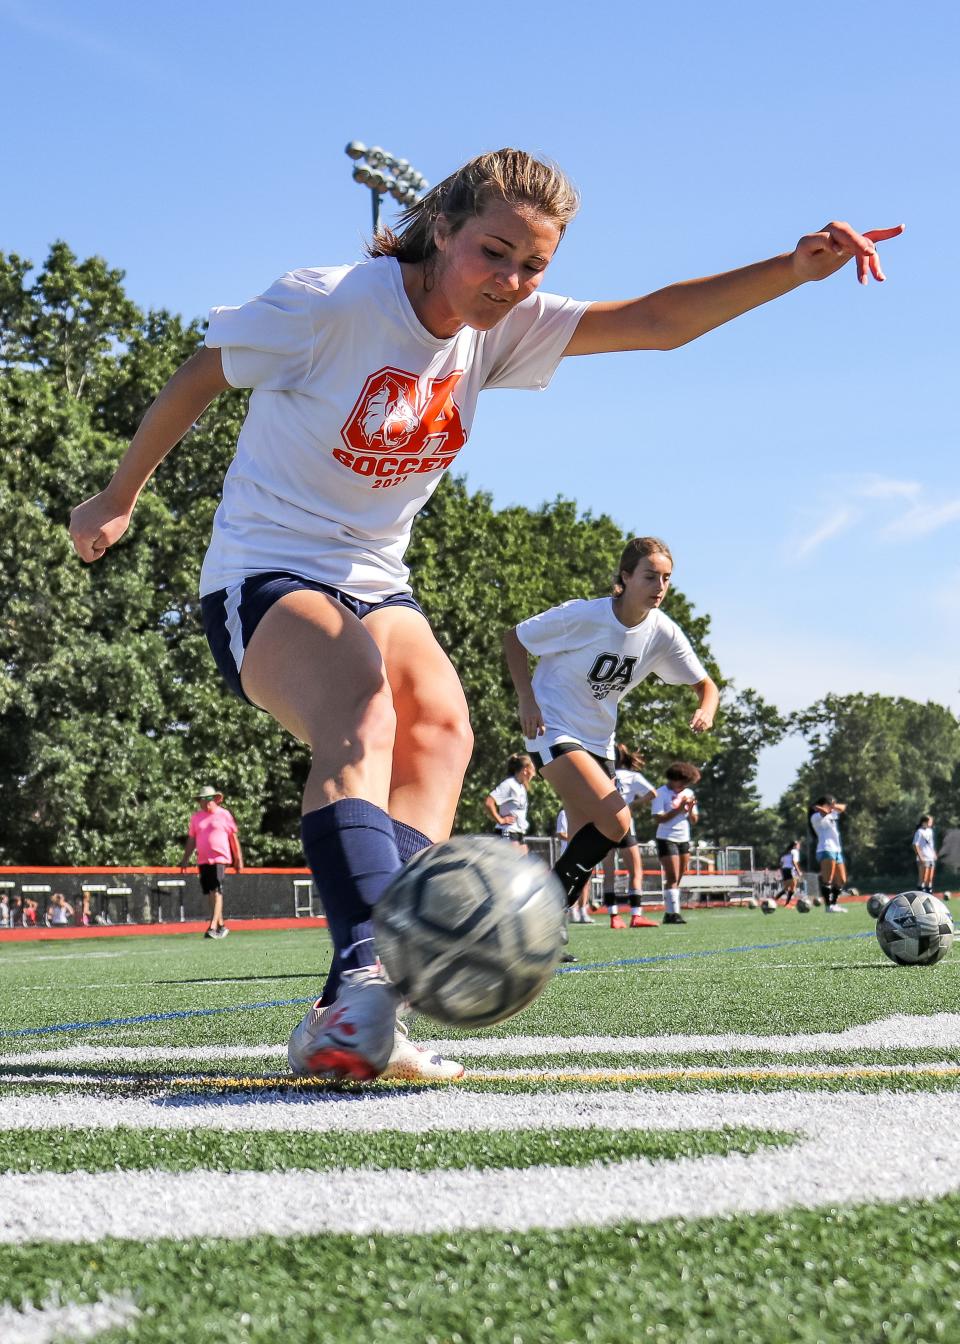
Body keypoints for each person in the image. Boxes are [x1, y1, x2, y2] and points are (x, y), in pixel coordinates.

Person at [68, 146, 900, 1084]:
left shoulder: (500, 328)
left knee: (444, 731)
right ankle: (367, 975)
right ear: (441, 230)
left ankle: (367, 1001)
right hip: (266, 570)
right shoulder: (334, 300)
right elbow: (204, 371)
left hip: (377, 578)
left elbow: (661, 323)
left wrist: (790, 269)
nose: (510, 281)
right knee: (362, 707)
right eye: (493, 253)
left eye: (533, 265)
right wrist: (117, 493)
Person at [503, 536, 718, 921]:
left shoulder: (663, 632)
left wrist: (706, 708)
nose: (660, 588)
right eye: (650, 577)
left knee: (585, 837)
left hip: (600, 741)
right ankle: (541, 910)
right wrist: (526, 699)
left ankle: (546, 927)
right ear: (625, 577)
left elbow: (707, 686)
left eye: (667, 579)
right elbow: (515, 639)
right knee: (618, 821)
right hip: (553, 727)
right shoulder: (584, 616)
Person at [602, 744, 657, 929]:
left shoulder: (601, 775)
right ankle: (635, 915)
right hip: (624, 826)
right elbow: (653, 793)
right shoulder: (632, 776)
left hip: (603, 826)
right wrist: (633, 805)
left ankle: (613, 917)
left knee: (608, 874)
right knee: (636, 871)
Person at [180, 786, 244, 939]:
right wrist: (185, 859)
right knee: (210, 892)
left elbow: (233, 838)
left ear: (214, 799)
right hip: (203, 860)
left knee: (216, 890)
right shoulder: (196, 817)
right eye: (202, 800)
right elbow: (191, 840)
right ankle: (221, 925)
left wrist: (238, 859)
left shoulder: (224, 815)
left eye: (207, 799)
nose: (205, 802)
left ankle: (212, 926)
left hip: (220, 859)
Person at [651, 762, 702, 926]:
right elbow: (658, 818)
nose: (684, 786)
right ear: (673, 779)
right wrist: (679, 809)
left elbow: (694, 820)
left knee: (679, 876)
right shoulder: (661, 793)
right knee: (671, 876)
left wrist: (690, 809)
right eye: (682, 782)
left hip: (684, 837)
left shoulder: (689, 792)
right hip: (666, 837)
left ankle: (670, 912)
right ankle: (673, 913)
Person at [484, 754, 534, 849]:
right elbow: (489, 802)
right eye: (533, 770)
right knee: (510, 862)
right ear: (525, 770)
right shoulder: (509, 784)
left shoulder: (521, 787)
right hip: (507, 832)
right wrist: (500, 820)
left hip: (518, 833)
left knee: (522, 859)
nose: (534, 774)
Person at [808, 795, 849, 912]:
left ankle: (834, 904)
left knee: (841, 880)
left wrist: (832, 805)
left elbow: (843, 807)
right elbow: (824, 812)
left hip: (837, 850)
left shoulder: (832, 813)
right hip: (826, 849)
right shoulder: (815, 816)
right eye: (830, 804)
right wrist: (820, 808)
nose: (832, 807)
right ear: (823, 805)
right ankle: (828, 906)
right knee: (828, 879)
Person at [913, 814, 936, 894]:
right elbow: (915, 845)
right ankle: (920, 894)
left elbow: (931, 844)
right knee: (923, 878)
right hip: (923, 857)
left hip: (930, 857)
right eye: (930, 821)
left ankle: (929, 893)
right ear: (924, 822)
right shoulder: (919, 832)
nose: (931, 823)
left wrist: (934, 853)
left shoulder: (930, 831)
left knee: (930, 878)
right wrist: (920, 856)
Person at [777, 839, 803, 904]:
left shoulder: (786, 853)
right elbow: (794, 862)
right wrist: (798, 871)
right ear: (795, 846)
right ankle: (786, 903)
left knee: (786, 888)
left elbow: (781, 863)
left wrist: (782, 872)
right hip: (790, 870)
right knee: (792, 888)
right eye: (798, 845)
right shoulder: (795, 851)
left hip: (784, 870)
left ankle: (776, 900)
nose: (799, 846)